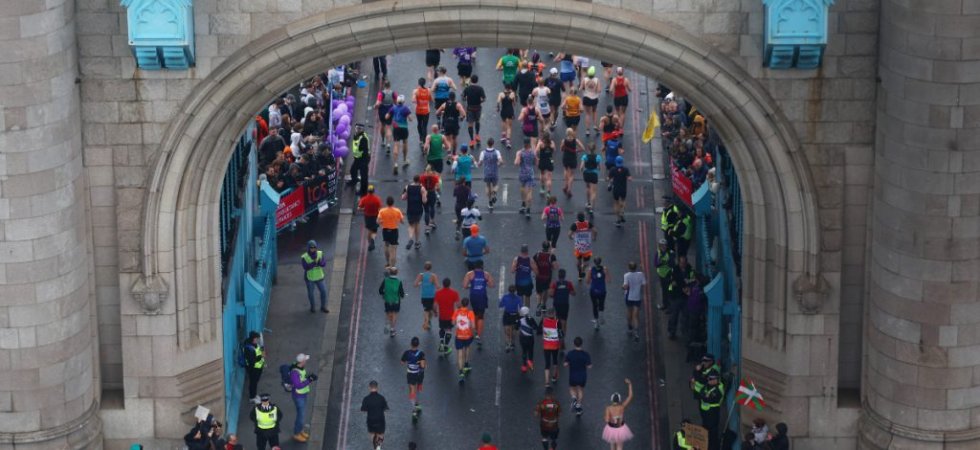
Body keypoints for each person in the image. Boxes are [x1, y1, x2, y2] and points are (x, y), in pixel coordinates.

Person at [463, 259, 495, 345]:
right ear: (482, 266)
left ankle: (475, 329)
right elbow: (492, 285)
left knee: (475, 313)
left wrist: (472, 285)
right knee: (481, 315)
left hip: (473, 296)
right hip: (482, 296)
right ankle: (478, 335)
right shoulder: (486, 274)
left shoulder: (469, 274)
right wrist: (485, 283)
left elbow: (465, 286)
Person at [289, 353, 317, 442]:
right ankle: (296, 434)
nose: (306, 361)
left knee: (302, 415)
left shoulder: (300, 368)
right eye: (305, 360)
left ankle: (300, 431)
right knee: (300, 416)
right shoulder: (295, 372)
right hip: (298, 396)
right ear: (302, 361)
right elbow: (298, 385)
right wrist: (310, 380)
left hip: (303, 394)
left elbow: (302, 379)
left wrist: (308, 377)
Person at [602, 379, 635, 449]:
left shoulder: (608, 408)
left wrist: (608, 418)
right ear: (619, 400)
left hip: (611, 429)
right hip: (620, 429)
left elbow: (607, 420)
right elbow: (630, 396)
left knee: (612, 446)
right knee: (619, 446)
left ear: (612, 400)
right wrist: (630, 384)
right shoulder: (622, 407)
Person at [564, 336, 592, 416]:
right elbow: (589, 366)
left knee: (572, 388)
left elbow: (565, 364)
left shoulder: (570, 353)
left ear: (574, 344)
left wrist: (569, 363)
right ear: (581, 344)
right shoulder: (586, 354)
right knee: (580, 390)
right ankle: (578, 405)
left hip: (573, 375)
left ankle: (574, 398)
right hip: (582, 376)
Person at [400, 336, 426, 422]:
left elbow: (402, 363)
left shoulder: (407, 353)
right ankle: (417, 404)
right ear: (418, 344)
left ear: (411, 344)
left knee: (412, 391)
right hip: (419, 375)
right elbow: (423, 366)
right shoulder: (421, 353)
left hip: (410, 375)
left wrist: (408, 361)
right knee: (416, 390)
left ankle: (414, 411)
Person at [385, 95, 414, 172]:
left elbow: (386, 117)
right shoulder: (405, 108)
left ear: (397, 101)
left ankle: (395, 164)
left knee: (396, 145)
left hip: (396, 128)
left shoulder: (393, 108)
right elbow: (411, 119)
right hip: (404, 128)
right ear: (403, 101)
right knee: (405, 143)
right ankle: (404, 160)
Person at [453, 297, 477, 384]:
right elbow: (473, 326)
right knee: (467, 348)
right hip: (467, 335)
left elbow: (453, 323)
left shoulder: (456, 312)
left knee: (459, 354)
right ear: (468, 304)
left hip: (459, 336)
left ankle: (460, 372)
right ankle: (466, 364)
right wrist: (474, 333)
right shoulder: (470, 313)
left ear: (461, 304)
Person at [401, 175, 428, 250]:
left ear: (413, 179)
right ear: (419, 180)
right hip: (418, 209)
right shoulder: (422, 188)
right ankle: (417, 242)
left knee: (411, 225)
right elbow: (424, 201)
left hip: (410, 209)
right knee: (417, 224)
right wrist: (425, 193)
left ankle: (410, 239)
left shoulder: (407, 187)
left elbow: (403, 198)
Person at [434, 278, 460, 356]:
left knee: (442, 328)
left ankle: (441, 341)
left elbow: (435, 305)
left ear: (443, 284)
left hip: (442, 315)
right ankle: (446, 346)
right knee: (449, 330)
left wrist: (435, 312)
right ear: (449, 284)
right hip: (450, 316)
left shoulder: (438, 293)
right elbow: (458, 305)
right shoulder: (454, 293)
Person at [301, 240, 328, 313]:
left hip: (319, 277)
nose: (313, 249)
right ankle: (313, 307)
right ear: (308, 248)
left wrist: (320, 263)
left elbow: (324, 263)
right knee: (311, 294)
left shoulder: (320, 253)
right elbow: (305, 267)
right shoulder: (304, 257)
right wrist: (313, 264)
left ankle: (323, 307)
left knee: (324, 292)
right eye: (311, 248)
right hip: (310, 278)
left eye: (314, 247)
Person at [549, 269, 575, 346]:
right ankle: (562, 338)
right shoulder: (568, 283)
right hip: (565, 304)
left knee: (557, 320)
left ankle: (557, 336)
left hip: (557, 304)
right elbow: (573, 293)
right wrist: (567, 291)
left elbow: (551, 294)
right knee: (564, 321)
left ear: (558, 275)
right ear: (564, 275)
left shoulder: (555, 284)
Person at [360, 380, 389, 450]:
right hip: (380, 419)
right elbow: (386, 409)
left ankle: (375, 446)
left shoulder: (366, 399)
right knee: (381, 434)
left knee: (372, 434)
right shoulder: (381, 398)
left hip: (371, 420)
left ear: (369, 388)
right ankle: (379, 445)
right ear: (377, 387)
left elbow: (363, 409)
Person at [436, 91, 467, 157]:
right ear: (454, 97)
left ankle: (449, 151)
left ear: (448, 97)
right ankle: (454, 153)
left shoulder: (444, 104)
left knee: (448, 139)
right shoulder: (458, 105)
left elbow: (437, 112)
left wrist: (443, 113)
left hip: (447, 123)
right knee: (454, 138)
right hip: (455, 123)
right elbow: (464, 114)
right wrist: (461, 118)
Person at [699, 374, 725, 450]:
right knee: (705, 426)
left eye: (712, 380)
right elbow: (701, 393)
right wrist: (704, 396)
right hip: (705, 411)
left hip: (713, 411)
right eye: (709, 380)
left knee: (713, 430)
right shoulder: (707, 386)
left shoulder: (718, 389)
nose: (710, 381)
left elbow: (710, 399)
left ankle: (713, 446)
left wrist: (705, 397)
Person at [569, 212, 597, 281]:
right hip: (587, 247)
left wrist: (571, 237)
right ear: (584, 217)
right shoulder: (588, 224)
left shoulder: (575, 225)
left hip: (578, 247)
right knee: (586, 263)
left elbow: (569, 234)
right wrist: (594, 237)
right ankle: (583, 269)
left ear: (577, 218)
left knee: (578, 261)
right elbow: (595, 231)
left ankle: (579, 273)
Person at [515, 137, 538, 219]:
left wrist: (518, 157)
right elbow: (536, 163)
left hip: (522, 173)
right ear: (529, 144)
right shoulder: (533, 153)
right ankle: (528, 210)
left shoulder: (520, 152)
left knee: (522, 187)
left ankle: (523, 203)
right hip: (530, 173)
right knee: (530, 191)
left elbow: (516, 163)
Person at [379, 266, 405, 338]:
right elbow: (402, 293)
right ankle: (392, 329)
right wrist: (402, 296)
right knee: (394, 314)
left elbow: (380, 290)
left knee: (388, 313)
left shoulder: (385, 280)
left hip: (387, 300)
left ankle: (387, 324)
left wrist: (384, 294)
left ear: (389, 273)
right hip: (396, 301)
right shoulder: (399, 282)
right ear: (397, 273)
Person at [623, 261, 646, 342]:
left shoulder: (626, 275)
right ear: (636, 267)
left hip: (629, 297)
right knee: (635, 315)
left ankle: (629, 327)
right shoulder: (640, 274)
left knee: (629, 312)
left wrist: (623, 287)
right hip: (637, 297)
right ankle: (636, 332)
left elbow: (625, 286)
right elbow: (643, 284)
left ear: (629, 268)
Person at [533, 241, 558, 316]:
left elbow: (533, 264)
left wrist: (536, 272)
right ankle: (544, 305)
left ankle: (538, 305)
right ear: (549, 247)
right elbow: (555, 267)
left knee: (538, 292)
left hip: (539, 276)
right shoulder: (551, 256)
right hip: (547, 277)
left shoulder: (537, 255)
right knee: (545, 290)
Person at [414, 262, 439, 331]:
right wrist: (433, 283)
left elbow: (415, 285)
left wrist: (421, 283)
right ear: (431, 268)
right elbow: (438, 286)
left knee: (426, 310)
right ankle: (428, 322)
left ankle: (427, 322)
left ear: (424, 268)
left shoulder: (421, 275)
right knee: (429, 310)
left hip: (424, 296)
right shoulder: (433, 276)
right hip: (432, 296)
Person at [478, 138, 502, 210]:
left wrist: (477, 164)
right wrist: (498, 164)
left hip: (487, 172)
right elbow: (501, 161)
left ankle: (490, 202)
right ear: (493, 144)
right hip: (494, 171)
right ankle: (494, 192)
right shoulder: (497, 152)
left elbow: (480, 163)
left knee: (488, 186)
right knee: (496, 185)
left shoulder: (483, 153)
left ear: (487, 144)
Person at [462, 74, 486, 147]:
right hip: (478, 107)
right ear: (477, 80)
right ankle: (477, 135)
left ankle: (472, 140)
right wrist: (480, 101)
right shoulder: (480, 88)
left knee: (470, 124)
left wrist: (467, 98)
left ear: (471, 80)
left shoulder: (467, 88)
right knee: (477, 121)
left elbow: (463, 98)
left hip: (470, 108)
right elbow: (484, 98)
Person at [607, 156, 632, 226]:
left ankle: (618, 220)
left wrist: (610, 181)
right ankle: (622, 211)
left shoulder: (613, 169)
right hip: (623, 189)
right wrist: (628, 178)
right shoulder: (625, 169)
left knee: (616, 203)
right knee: (623, 201)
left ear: (616, 162)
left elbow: (608, 178)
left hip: (616, 189)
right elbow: (630, 178)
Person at [559, 128, 584, 198]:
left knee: (566, 170)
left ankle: (565, 185)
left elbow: (561, 149)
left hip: (566, 157)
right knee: (572, 174)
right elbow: (583, 148)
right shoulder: (576, 140)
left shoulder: (564, 140)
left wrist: (565, 148)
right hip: (573, 158)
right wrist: (576, 151)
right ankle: (569, 189)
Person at [535, 386, 561, 450]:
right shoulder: (556, 403)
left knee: (544, 438)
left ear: (545, 394)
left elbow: (536, 414)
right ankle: (552, 448)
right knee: (554, 439)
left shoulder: (541, 403)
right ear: (552, 394)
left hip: (544, 424)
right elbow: (559, 413)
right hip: (554, 424)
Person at [243, 331, 266, 404]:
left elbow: (259, 351)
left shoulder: (255, 344)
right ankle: (252, 397)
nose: (258, 340)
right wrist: (261, 356)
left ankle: (255, 395)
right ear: (254, 338)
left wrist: (262, 356)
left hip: (258, 367)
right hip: (253, 369)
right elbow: (252, 361)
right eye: (257, 338)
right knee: (253, 383)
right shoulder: (249, 348)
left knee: (255, 382)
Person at [357, 185, 382, 251]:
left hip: (367, 216)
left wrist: (364, 208)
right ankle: (372, 241)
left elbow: (359, 208)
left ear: (368, 191)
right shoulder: (377, 199)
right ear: (373, 191)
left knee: (369, 230)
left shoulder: (364, 199)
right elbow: (380, 209)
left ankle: (370, 243)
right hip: (375, 216)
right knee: (374, 230)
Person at [586, 257, 609, 330]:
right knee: (601, 304)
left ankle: (596, 322)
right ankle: (601, 317)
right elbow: (608, 280)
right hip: (602, 291)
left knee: (594, 306)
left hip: (594, 291)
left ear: (594, 262)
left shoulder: (591, 270)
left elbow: (587, 281)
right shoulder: (604, 269)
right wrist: (606, 272)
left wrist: (589, 274)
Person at [499, 284, 523, 352]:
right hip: (515, 315)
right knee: (514, 330)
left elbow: (500, 305)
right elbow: (521, 307)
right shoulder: (518, 298)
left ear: (508, 290)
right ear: (515, 291)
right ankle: (512, 343)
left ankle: (507, 344)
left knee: (507, 330)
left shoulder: (505, 297)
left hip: (507, 315)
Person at [375, 80, 397, 153]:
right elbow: (396, 102)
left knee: (382, 125)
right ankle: (388, 144)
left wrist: (375, 106)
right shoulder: (393, 93)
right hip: (390, 111)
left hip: (382, 111)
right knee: (388, 127)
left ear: (384, 86)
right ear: (390, 86)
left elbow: (378, 103)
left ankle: (383, 140)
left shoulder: (381, 94)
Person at [419, 164, 442, 235]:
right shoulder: (435, 177)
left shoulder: (421, 177)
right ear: (431, 170)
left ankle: (427, 227)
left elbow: (420, 185)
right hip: (432, 193)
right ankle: (432, 221)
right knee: (432, 207)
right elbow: (437, 188)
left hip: (424, 193)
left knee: (426, 211)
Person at [580, 143, 603, 213]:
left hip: (586, 173)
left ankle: (588, 203)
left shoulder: (585, 156)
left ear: (588, 148)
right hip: (594, 174)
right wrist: (598, 168)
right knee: (594, 191)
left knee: (587, 188)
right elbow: (599, 167)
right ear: (595, 149)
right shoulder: (598, 157)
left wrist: (582, 170)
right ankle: (592, 208)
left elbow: (581, 167)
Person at [541, 308, 562, 385]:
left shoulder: (544, 321)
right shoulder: (557, 322)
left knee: (547, 363)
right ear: (554, 314)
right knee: (555, 360)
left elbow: (540, 330)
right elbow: (560, 332)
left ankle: (547, 381)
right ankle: (554, 376)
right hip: (555, 345)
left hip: (546, 345)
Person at [349, 123, 371, 196]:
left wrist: (363, 163)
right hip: (357, 158)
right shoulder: (356, 135)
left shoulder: (363, 138)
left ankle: (363, 192)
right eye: (357, 128)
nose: (358, 129)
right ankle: (354, 181)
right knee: (353, 170)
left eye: (360, 128)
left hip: (363, 158)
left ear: (362, 129)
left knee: (363, 176)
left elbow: (364, 150)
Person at [518, 306, 541, 373]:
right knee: (530, 350)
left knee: (524, 351)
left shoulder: (520, 320)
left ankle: (524, 366)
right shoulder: (531, 319)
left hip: (522, 338)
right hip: (530, 338)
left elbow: (516, 327)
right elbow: (536, 327)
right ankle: (530, 362)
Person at [580, 66, 601, 136]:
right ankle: (595, 125)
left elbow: (580, 88)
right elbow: (599, 90)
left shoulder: (584, 79)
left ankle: (587, 130)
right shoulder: (597, 80)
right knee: (594, 112)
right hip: (594, 98)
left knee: (588, 114)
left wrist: (584, 89)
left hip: (586, 98)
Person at [412, 78, 432, 150]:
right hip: (426, 111)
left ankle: (420, 137)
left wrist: (417, 99)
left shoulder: (416, 91)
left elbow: (413, 100)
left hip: (418, 110)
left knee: (419, 123)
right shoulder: (428, 90)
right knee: (425, 126)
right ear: (424, 83)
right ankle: (424, 140)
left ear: (418, 83)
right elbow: (430, 99)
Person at [655, 238, 675, 310]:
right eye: (661, 245)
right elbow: (655, 264)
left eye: (664, 245)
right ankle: (665, 305)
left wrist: (662, 262)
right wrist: (660, 263)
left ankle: (670, 307)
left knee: (669, 291)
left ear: (666, 246)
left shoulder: (670, 253)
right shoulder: (658, 253)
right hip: (661, 275)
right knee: (664, 290)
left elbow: (672, 264)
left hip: (668, 275)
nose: (662, 247)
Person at [536, 131, 556, 197]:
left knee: (542, 173)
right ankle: (548, 192)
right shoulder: (551, 143)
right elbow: (554, 150)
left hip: (542, 160)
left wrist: (538, 157)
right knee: (549, 177)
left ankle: (542, 188)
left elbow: (536, 151)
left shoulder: (541, 143)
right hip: (549, 160)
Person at [497, 84, 517, 149]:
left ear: (505, 87)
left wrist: (498, 108)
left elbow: (498, 102)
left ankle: (503, 136)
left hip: (503, 111)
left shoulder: (501, 94)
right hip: (510, 111)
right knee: (509, 126)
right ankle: (508, 141)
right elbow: (514, 103)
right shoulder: (512, 94)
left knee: (503, 122)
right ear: (510, 88)